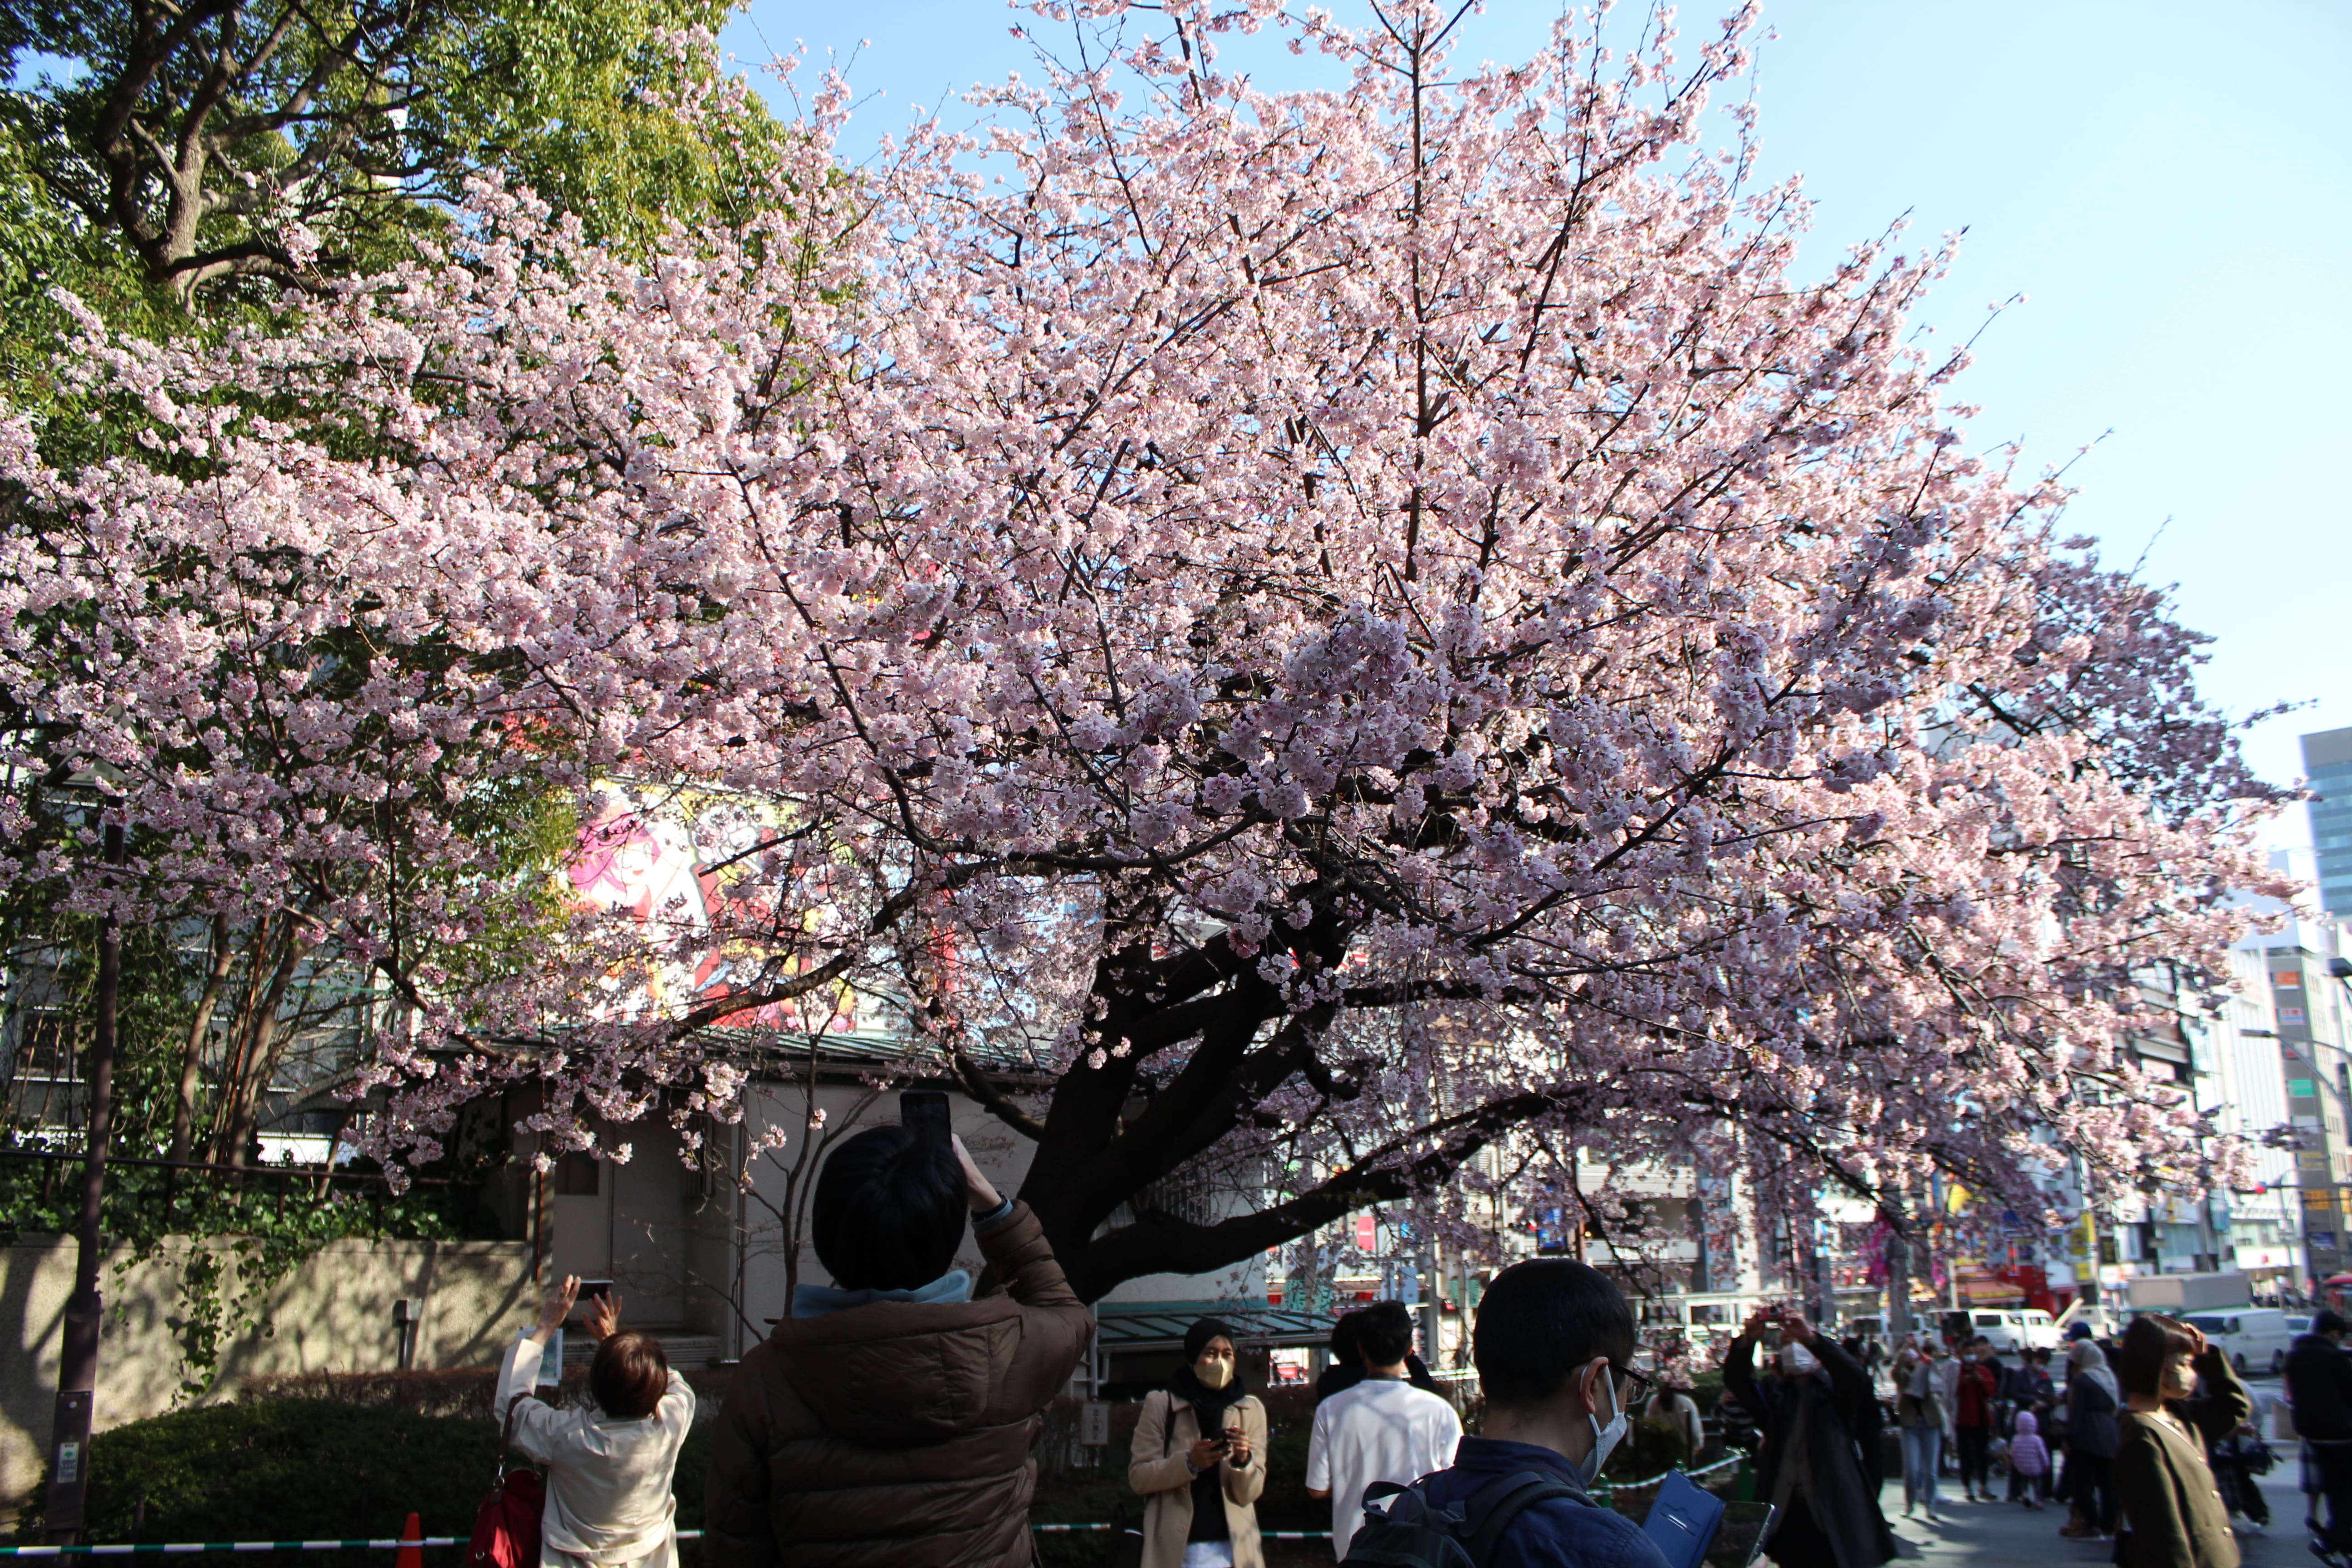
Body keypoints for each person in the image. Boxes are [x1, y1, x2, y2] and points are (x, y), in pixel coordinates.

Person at [703, 1128, 1093, 1567]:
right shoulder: (1010, 1351)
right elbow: (1068, 1312)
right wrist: (990, 1204)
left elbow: (735, 1546)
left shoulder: (765, 1381)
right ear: (946, 1237)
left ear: (828, 1234)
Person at [1366, 1258, 1673, 1568]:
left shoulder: (1407, 1513)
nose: (1625, 1406)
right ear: (1592, 1385)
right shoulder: (1609, 1552)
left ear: (1484, 1379)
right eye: (1629, 1388)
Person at [495, 1275, 696, 1568]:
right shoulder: (669, 1427)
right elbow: (676, 1384)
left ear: (597, 1385)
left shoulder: (568, 1438)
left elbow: (510, 1407)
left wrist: (546, 1328)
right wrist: (616, 1343)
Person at [1725, 1309, 1896, 1568]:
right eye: (1785, 1344)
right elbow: (1739, 1382)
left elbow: (1854, 1375)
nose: (1792, 1349)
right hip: (1788, 1512)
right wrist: (1747, 1343)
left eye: (1797, 1344)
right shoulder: (1777, 1397)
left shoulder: (1834, 1397)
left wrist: (1813, 1339)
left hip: (1831, 1511)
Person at [1304, 1299, 1462, 1558]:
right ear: (1410, 1348)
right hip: (1421, 1548)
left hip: (1355, 1548)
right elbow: (1453, 1484)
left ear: (1361, 1348)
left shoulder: (1331, 1409)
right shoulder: (1439, 1411)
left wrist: (1351, 1479)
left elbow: (1317, 1488)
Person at [1129, 1318, 1270, 1568]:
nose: (1220, 1362)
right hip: (1177, 1550)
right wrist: (1189, 1463)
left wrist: (1243, 1461)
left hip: (1235, 1550)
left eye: (1228, 1354)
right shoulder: (1162, 1405)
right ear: (1193, 1357)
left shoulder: (1250, 1409)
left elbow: (1251, 1493)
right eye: (1211, 1353)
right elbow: (1139, 1477)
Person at [2113, 1313, 2251, 1568]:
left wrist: (2209, 1356)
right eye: (2185, 1364)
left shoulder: (2178, 1415)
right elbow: (2164, 1533)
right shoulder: (2141, 1433)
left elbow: (2234, 1408)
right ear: (2159, 1368)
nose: (2191, 1372)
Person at [2287, 1308, 2352, 1554]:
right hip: (2342, 1432)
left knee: (2334, 1485)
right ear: (2334, 1333)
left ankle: (2336, 1536)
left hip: (2312, 1432)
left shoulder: (2294, 1356)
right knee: (2346, 1488)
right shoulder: (2334, 1358)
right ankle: (2338, 1537)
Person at [2061, 1334, 2123, 1540]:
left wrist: (2070, 1439)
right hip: (2110, 1432)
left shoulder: (2083, 1379)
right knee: (2108, 1484)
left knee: (2083, 1483)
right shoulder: (2108, 1376)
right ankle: (2109, 1523)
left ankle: (2090, 1522)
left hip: (2087, 1434)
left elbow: (2076, 1412)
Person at [1315, 1307, 1445, 1403]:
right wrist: (1408, 1354)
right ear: (1363, 1348)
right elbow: (1429, 1392)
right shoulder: (1393, 1392)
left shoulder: (1328, 1385)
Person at [1894, 1347, 1945, 1523]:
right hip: (1910, 1425)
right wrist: (1902, 1355)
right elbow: (1896, 1372)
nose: (1913, 1361)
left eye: (1914, 1358)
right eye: (1910, 1359)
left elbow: (1939, 1381)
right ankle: (1910, 1503)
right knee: (1912, 1469)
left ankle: (1931, 1506)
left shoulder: (1927, 1371)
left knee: (1930, 1470)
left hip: (1930, 1423)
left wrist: (1927, 1361)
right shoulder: (1904, 1377)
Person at [1951, 1338, 1999, 1503]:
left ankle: (1984, 1485)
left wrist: (1981, 1380)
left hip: (1982, 1418)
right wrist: (1963, 1382)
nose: (1971, 1357)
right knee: (1965, 1455)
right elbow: (1950, 1392)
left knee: (1983, 1453)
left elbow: (1992, 1391)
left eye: (1973, 1353)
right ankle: (1967, 1487)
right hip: (1963, 1419)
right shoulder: (1956, 1372)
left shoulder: (1983, 1371)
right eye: (1967, 1354)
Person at [1645, 1373, 1707, 1467]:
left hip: (1661, 1450)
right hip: (1684, 1450)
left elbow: (1648, 1425)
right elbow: (1694, 1429)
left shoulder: (1654, 1401)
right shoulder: (1686, 1402)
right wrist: (1698, 1445)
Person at [2007, 1409, 2051, 1509]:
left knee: (2024, 1482)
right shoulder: (2037, 1439)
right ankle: (2038, 1500)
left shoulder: (2016, 1439)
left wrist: (2013, 1462)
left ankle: (2025, 1495)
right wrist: (2046, 1464)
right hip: (2035, 1467)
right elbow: (2042, 1453)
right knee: (2037, 1484)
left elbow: (2013, 1453)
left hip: (2022, 1466)